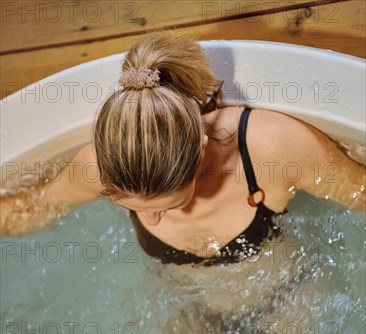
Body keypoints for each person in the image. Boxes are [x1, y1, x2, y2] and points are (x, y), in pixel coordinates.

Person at [1, 30, 364, 253]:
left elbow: (358, 192)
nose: (153, 222)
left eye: (167, 205)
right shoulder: (101, 166)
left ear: (202, 149)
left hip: (286, 302)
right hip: (189, 309)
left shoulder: (271, 146)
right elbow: (35, 207)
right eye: (135, 207)